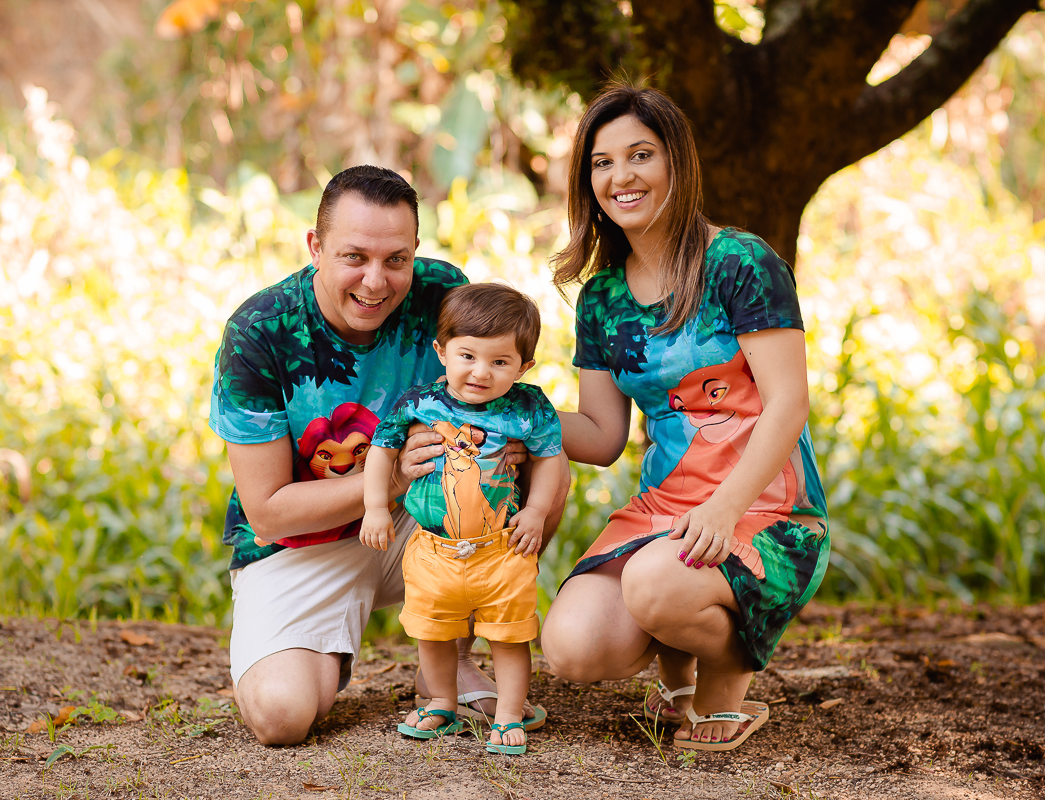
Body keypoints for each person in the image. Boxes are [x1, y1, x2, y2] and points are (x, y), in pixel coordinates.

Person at [209, 165, 563, 745]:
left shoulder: (442, 294)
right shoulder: (261, 332)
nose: (376, 282)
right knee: (281, 716)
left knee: (545, 465)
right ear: (315, 247)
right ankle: (323, 645)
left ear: (416, 251)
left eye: (396, 259)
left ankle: (445, 662)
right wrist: (393, 477)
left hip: (427, 523)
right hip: (306, 539)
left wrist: (537, 437)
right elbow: (268, 511)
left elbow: (502, 399)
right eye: (354, 257)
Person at [542, 81, 830, 751]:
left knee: (653, 582)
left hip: (762, 510)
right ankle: (676, 669)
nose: (622, 177)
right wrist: (509, 413)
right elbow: (603, 434)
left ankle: (725, 689)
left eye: (640, 155)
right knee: (573, 647)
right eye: (602, 162)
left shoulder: (740, 264)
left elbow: (789, 403)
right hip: (664, 510)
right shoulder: (602, 298)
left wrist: (725, 510)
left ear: (676, 161)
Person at [359, 283, 566, 755]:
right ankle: (441, 702)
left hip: (502, 550)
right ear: (441, 350)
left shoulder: (528, 407)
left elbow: (551, 457)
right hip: (433, 550)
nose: (480, 372)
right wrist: (375, 506)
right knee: (433, 632)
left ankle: (510, 715)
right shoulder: (419, 402)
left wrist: (535, 510)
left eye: (499, 362)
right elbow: (381, 449)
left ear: (524, 366)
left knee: (509, 635)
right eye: (467, 356)